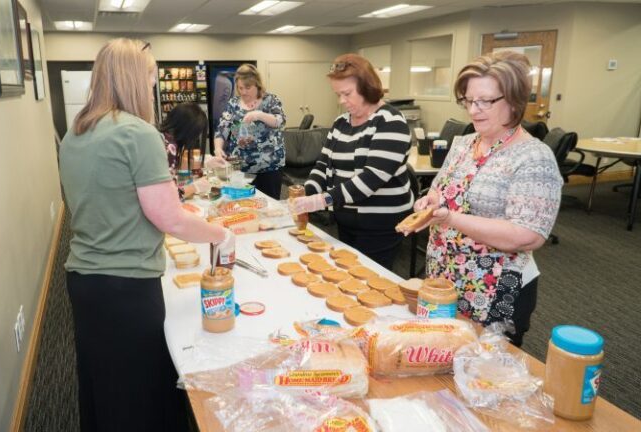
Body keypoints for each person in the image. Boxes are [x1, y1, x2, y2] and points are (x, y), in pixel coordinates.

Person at [58, 38, 234, 431]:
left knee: (102, 384)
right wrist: (217, 233)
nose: (154, 86)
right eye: (152, 77)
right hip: (126, 284)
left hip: (84, 278)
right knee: (138, 392)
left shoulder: (76, 133)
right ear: (134, 79)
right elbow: (169, 218)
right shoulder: (138, 133)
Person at [403, 51, 563, 347]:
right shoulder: (464, 143)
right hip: (446, 278)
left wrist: (450, 218)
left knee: (483, 376)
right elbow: (441, 189)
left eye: (486, 101)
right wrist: (429, 202)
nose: (474, 110)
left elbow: (527, 236)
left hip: (495, 288)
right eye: (468, 100)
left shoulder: (533, 157)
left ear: (514, 100)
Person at [289, 53, 413, 270]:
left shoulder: (391, 121)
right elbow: (323, 165)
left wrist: (322, 200)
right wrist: (306, 194)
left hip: (380, 225)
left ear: (367, 86)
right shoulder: (340, 123)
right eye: (338, 94)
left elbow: (371, 179)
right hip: (346, 220)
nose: (341, 101)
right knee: (347, 274)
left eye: (347, 93)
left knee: (371, 280)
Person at [213, 64, 286, 199]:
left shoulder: (270, 100)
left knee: (268, 206)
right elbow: (222, 128)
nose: (243, 92)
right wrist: (218, 148)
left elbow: (280, 121)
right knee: (243, 205)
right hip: (241, 167)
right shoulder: (233, 104)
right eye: (240, 88)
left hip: (269, 167)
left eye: (248, 87)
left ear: (257, 85)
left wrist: (259, 115)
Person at [159, 102, 210, 199]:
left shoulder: (163, 137)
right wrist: (194, 187)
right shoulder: (170, 147)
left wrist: (206, 162)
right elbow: (171, 196)